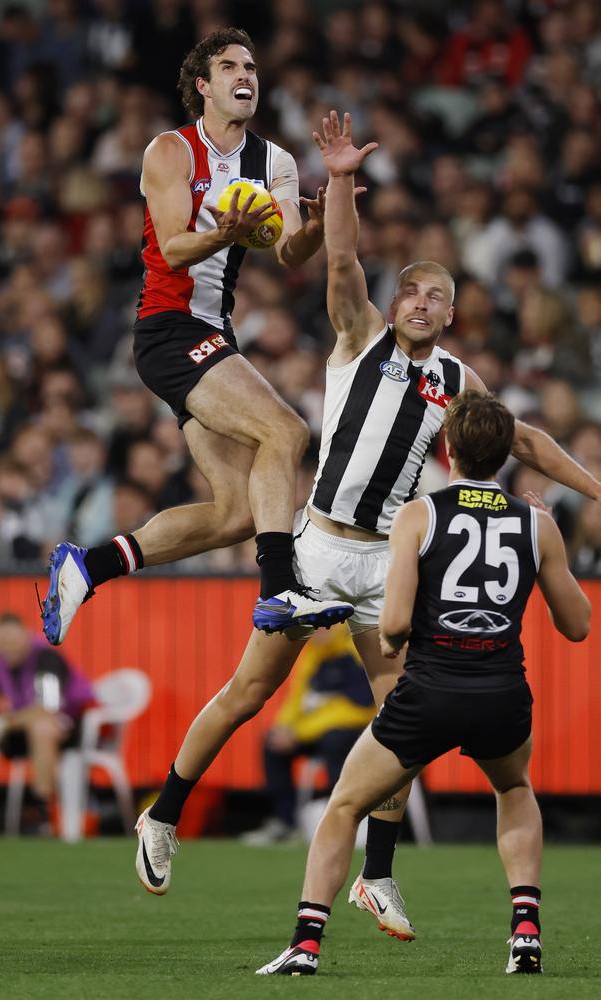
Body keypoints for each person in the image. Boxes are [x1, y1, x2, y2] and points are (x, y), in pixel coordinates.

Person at [133, 112, 601, 938]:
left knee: (403, 720)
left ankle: (377, 877)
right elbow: (339, 257)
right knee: (249, 691)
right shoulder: (358, 336)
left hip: (388, 558)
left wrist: (594, 488)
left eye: (438, 298)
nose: (422, 304)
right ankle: (163, 815)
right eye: (413, 293)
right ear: (396, 304)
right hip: (318, 547)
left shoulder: (459, 380)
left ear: (452, 317)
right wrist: (341, 179)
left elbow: (524, 440)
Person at [256, 391, 591, 977]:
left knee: (345, 805)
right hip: (501, 692)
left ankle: (306, 945)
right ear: (507, 454)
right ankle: (526, 933)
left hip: (431, 690)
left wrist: (387, 643)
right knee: (514, 791)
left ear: (447, 446)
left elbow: (393, 623)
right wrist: (543, 541)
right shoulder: (536, 524)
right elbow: (578, 625)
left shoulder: (420, 512)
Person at [39, 27, 352, 644]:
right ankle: (279, 590)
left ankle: (90, 565)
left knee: (237, 511)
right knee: (285, 430)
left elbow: (292, 253)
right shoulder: (170, 151)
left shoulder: (277, 163)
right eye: (231, 66)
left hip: (211, 331)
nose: (247, 75)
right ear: (203, 86)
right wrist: (228, 231)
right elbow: (176, 247)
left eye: (253, 67)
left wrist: (321, 218)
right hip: (167, 326)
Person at [0, 612, 96, 831]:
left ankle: (43, 810)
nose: (8, 648)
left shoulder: (47, 658)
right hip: (23, 724)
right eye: (2, 642)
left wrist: (3, 723)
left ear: (25, 636)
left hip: (71, 726)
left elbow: (47, 709)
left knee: (41, 728)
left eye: (12, 641)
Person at [242, 624, 374, 845]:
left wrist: (300, 733)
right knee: (271, 744)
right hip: (316, 732)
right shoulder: (312, 654)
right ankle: (285, 823)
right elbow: (297, 700)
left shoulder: (356, 651)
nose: (317, 631)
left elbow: (359, 708)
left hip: (357, 732)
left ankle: (342, 821)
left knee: (335, 740)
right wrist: (284, 728)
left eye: (324, 626)